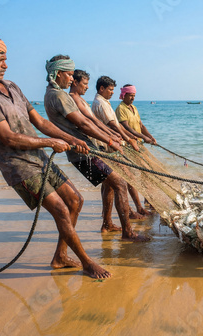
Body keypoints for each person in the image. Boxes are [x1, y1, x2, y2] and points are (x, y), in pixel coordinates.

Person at [0, 35, 110, 279]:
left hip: (40, 158)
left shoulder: (12, 86)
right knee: (62, 211)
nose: (5, 65)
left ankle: (60, 257)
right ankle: (87, 262)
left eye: (5, 59)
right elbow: (8, 138)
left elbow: (40, 121)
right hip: (19, 167)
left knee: (76, 201)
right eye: (0, 60)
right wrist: (52, 142)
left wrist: (72, 140)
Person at [43, 55, 149, 241]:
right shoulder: (60, 96)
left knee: (111, 185)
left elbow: (88, 121)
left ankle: (107, 223)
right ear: (58, 73)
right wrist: (110, 140)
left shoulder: (54, 94)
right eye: (68, 74)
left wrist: (110, 137)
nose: (70, 78)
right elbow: (84, 123)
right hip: (83, 153)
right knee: (120, 184)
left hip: (84, 150)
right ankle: (128, 232)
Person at [91, 76, 151, 219]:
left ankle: (108, 221)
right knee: (122, 181)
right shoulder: (102, 103)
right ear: (102, 89)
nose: (112, 92)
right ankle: (129, 214)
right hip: (108, 147)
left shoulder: (105, 102)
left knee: (110, 185)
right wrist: (129, 139)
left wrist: (146, 137)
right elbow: (115, 125)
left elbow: (138, 125)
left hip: (113, 146)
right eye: (110, 90)